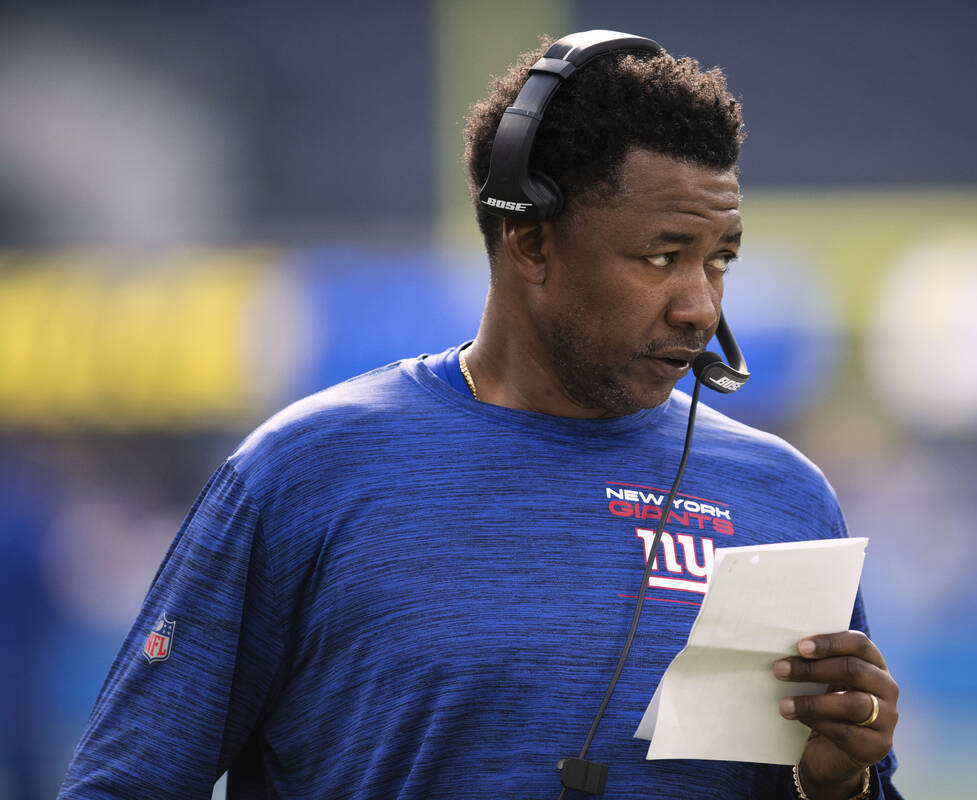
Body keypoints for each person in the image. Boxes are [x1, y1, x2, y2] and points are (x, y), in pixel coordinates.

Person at [59, 31, 901, 800]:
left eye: (718, 260)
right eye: (661, 256)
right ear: (530, 243)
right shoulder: (306, 473)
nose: (699, 306)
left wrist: (839, 787)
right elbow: (125, 783)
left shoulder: (784, 499)